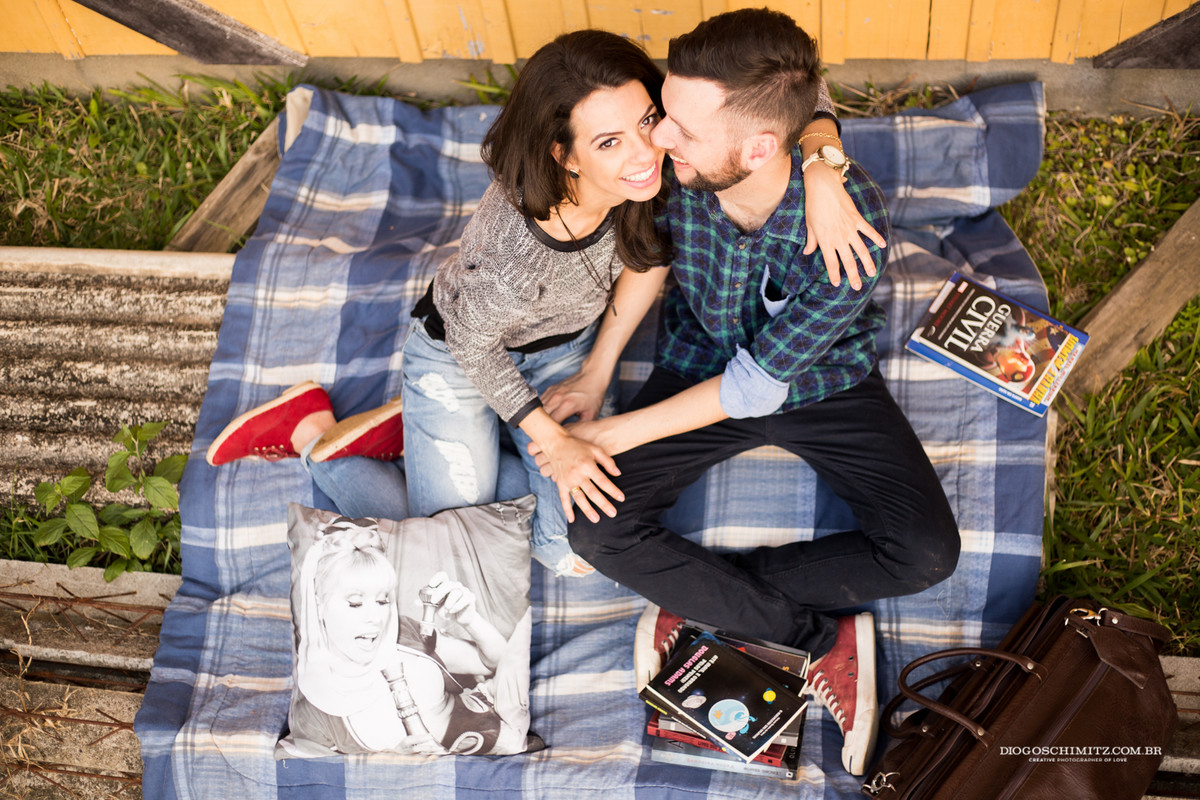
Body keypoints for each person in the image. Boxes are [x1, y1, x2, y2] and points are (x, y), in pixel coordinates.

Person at [204, 28, 879, 581]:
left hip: (564, 352)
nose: (648, 153)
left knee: (569, 554)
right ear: (565, 155)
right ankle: (316, 437)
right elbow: (472, 343)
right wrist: (552, 440)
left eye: (649, 121)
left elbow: (790, 89)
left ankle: (447, 440)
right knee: (465, 536)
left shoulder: (667, 165)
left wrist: (822, 166)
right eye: (609, 142)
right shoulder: (516, 252)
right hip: (464, 357)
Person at [532, 9, 961, 776]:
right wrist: (598, 372)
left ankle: (706, 601)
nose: (657, 140)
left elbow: (757, 387)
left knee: (927, 552)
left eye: (680, 130)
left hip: (821, 381)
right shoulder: (681, 168)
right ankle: (815, 638)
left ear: (758, 149)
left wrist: (609, 436)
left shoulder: (850, 226)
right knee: (597, 531)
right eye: (662, 114)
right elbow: (651, 256)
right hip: (695, 358)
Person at [284, 523, 530, 756]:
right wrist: (390, 760)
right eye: (355, 603)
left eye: (382, 601)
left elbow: (495, 663)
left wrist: (470, 620)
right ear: (319, 606)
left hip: (497, 727)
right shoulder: (313, 711)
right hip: (448, 773)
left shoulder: (401, 631)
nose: (375, 618)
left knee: (525, 626)